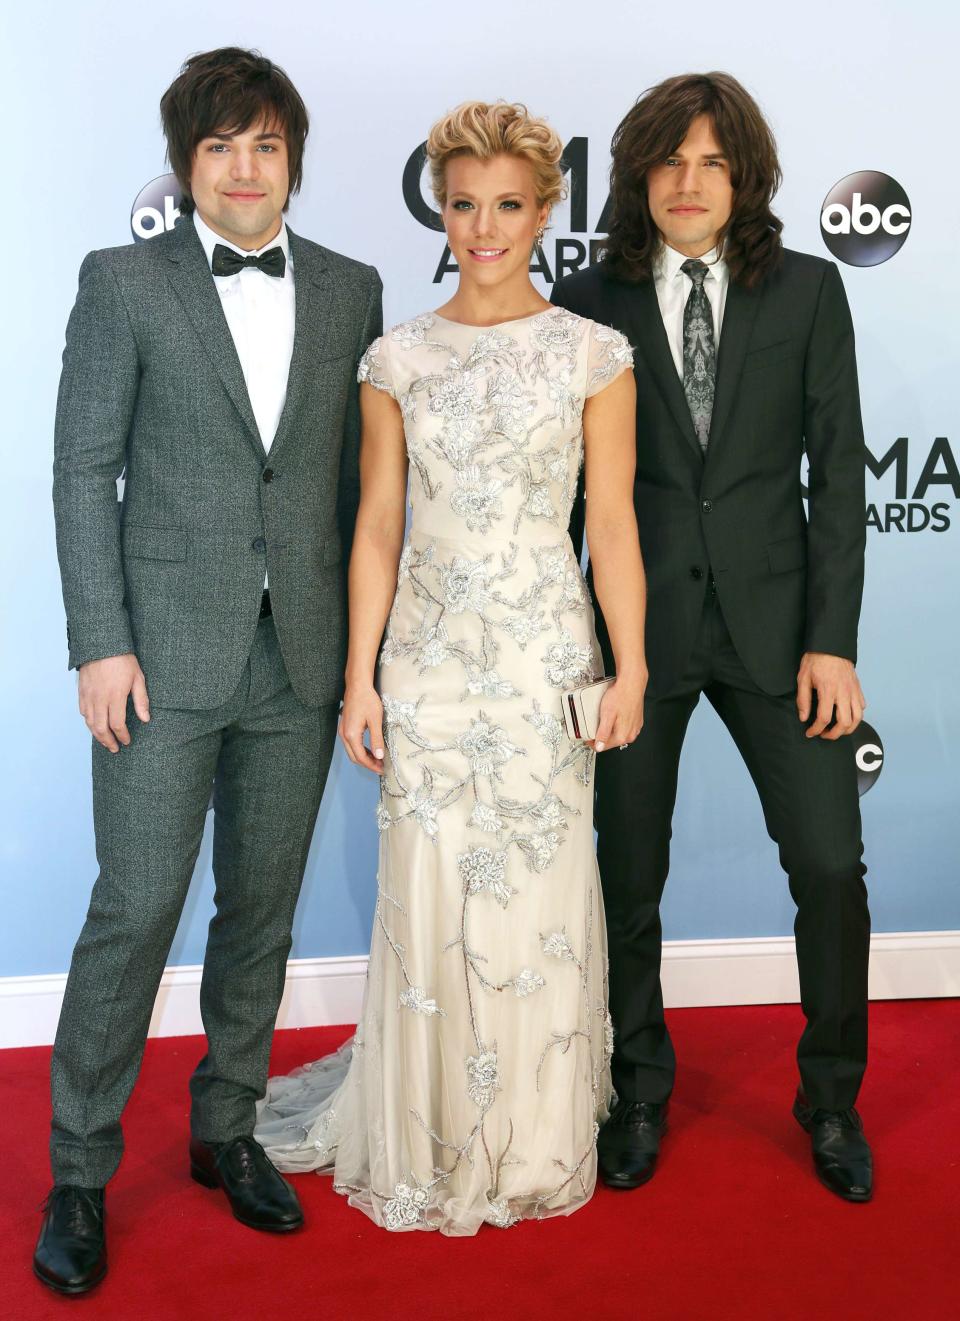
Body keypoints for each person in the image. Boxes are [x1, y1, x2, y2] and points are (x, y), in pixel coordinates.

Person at [255, 100, 646, 1235]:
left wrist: (630, 668)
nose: (484, 228)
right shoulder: (398, 355)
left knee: (538, 901)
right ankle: (428, 1131)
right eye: (464, 204)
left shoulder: (591, 353)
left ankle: (531, 1134)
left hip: (542, 665)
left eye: (508, 206)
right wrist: (362, 678)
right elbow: (376, 524)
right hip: (425, 663)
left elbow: (611, 526)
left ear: (543, 209)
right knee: (428, 899)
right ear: (442, 205)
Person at [34, 47, 382, 1296]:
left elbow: (347, 485)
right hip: (158, 661)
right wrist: (98, 639)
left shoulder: (353, 288)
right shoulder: (123, 282)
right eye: (221, 146)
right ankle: (78, 1166)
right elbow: (84, 470)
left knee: (261, 914)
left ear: (294, 157)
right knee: (133, 910)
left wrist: (361, 660)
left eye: (267, 145)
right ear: (188, 164)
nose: (245, 168)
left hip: (299, 658)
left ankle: (226, 1124)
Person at [551, 71, 872, 1203]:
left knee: (831, 862)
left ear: (746, 179)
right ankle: (640, 1089)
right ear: (641, 174)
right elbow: (563, 492)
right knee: (627, 873)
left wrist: (831, 638)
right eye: (670, 161)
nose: (690, 183)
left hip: (784, 632)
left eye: (714, 162)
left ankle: (831, 1098)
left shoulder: (809, 294)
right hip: (636, 631)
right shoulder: (587, 300)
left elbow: (838, 478)